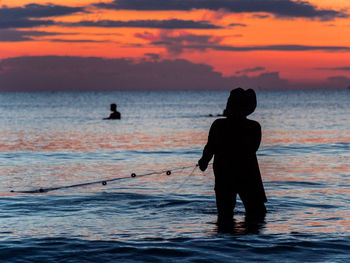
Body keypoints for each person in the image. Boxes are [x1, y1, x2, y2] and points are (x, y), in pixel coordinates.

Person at [198, 88, 267, 224]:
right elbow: (254, 148)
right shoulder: (254, 127)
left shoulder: (218, 125)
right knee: (257, 214)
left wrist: (204, 161)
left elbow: (210, 147)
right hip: (248, 175)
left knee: (224, 215)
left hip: (225, 174)